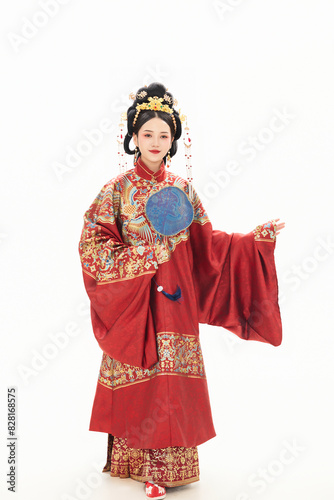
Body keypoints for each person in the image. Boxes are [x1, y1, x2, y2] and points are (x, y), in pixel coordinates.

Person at [78, 82, 285, 499]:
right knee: (142, 374)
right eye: (148, 134)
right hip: (134, 303)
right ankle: (132, 462)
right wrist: (142, 260)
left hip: (176, 302)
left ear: (174, 142)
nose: (156, 142)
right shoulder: (115, 192)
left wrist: (252, 241)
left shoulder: (183, 191)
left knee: (171, 381)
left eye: (164, 135)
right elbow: (92, 246)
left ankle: (167, 471)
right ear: (134, 138)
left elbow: (209, 248)